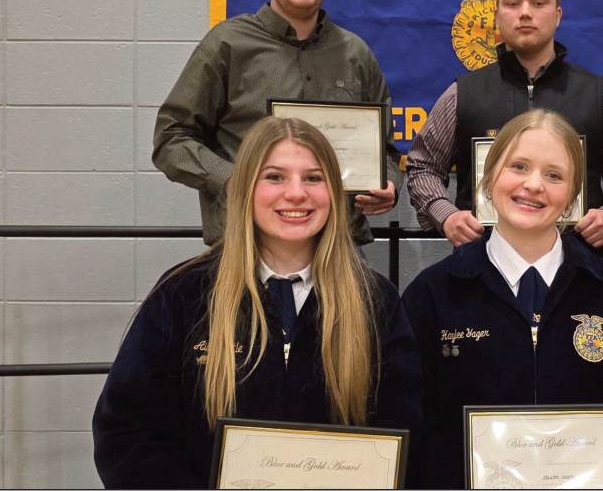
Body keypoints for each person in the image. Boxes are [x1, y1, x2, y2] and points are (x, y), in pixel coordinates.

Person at [93, 117, 422, 488]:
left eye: (313, 178)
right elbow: (129, 433)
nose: (296, 193)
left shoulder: (374, 299)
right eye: (275, 177)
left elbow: (402, 428)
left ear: (333, 192)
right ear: (243, 188)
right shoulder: (183, 295)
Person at [402, 110, 603, 488]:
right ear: (489, 177)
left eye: (554, 175)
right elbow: (413, 416)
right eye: (519, 167)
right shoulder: (432, 294)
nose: (534, 185)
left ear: (573, 195)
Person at [153, 0, 400, 247]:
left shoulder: (355, 54)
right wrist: (231, 178)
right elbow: (171, 138)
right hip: (246, 244)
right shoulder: (228, 44)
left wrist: (390, 185)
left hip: (338, 247)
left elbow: (385, 151)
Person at [406, 0, 603, 257]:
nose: (525, 13)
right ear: (496, 15)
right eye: (513, 3)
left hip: (577, 266)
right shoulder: (461, 94)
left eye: (538, 2)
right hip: (482, 267)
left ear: (558, 16)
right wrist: (445, 215)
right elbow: (423, 165)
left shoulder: (600, 95)